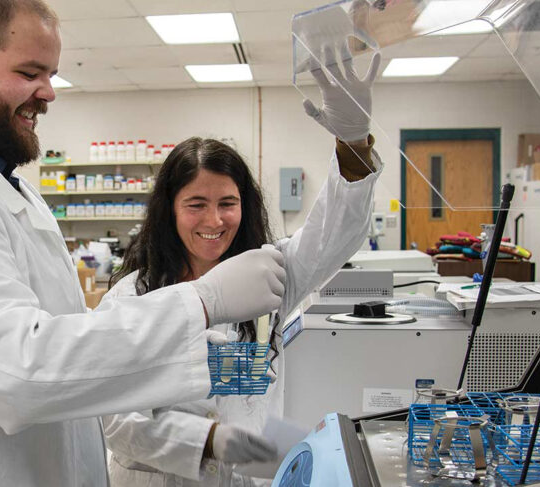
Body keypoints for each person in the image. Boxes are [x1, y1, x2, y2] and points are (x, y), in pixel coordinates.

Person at [0, 0, 289, 485]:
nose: (48, 93)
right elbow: (20, 373)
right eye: (30, 72)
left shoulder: (9, 189)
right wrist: (205, 303)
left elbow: (74, 357)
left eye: (50, 73)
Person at [101, 51, 382, 486]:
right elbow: (115, 422)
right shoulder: (130, 299)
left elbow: (335, 234)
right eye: (196, 205)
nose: (214, 221)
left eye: (227, 204)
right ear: (169, 211)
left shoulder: (269, 276)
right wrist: (206, 440)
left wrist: (353, 142)